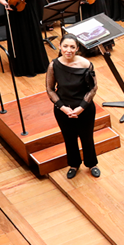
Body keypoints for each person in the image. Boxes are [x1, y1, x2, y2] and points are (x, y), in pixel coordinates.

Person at [45, 34, 100, 179]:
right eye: (65, 46)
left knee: (87, 137)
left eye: (72, 47)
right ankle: (74, 164)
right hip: (63, 109)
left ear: (77, 48)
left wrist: (81, 108)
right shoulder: (54, 65)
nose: (68, 50)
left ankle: (92, 163)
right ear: (60, 47)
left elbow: (93, 89)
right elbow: (50, 89)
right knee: (69, 138)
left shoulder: (86, 64)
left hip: (85, 109)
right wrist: (63, 108)